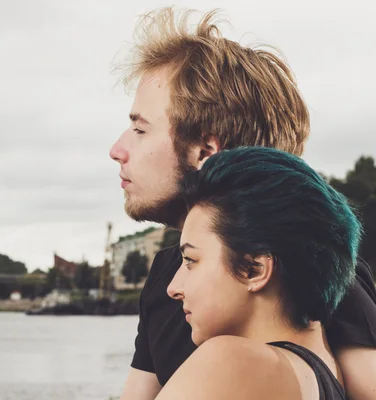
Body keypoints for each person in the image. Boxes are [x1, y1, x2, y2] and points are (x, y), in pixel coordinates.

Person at [109, 7, 376, 400]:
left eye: (140, 129)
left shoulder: (320, 273)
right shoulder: (165, 277)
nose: (118, 149)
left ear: (207, 151)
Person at [154, 146, 360, 399]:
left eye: (190, 260)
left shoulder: (232, 362)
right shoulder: (327, 369)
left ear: (255, 270)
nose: (173, 287)